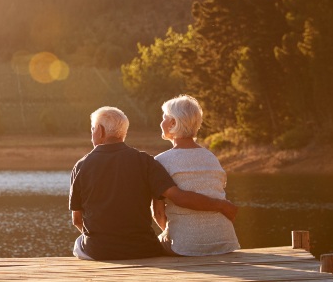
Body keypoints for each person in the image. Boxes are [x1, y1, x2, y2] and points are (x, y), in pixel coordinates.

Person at [69, 106, 237, 261]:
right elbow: (176, 197)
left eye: (92, 129)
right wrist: (221, 205)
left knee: (78, 244)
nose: (92, 133)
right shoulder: (146, 162)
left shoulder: (81, 166)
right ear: (123, 133)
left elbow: (77, 220)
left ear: (100, 131)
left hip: (99, 250)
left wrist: (103, 241)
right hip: (143, 249)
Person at [154, 94, 240, 256]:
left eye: (164, 117)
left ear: (173, 123)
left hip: (186, 246)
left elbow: (158, 213)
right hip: (224, 242)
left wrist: (173, 234)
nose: (161, 122)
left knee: (155, 243)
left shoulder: (160, 161)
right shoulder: (211, 157)